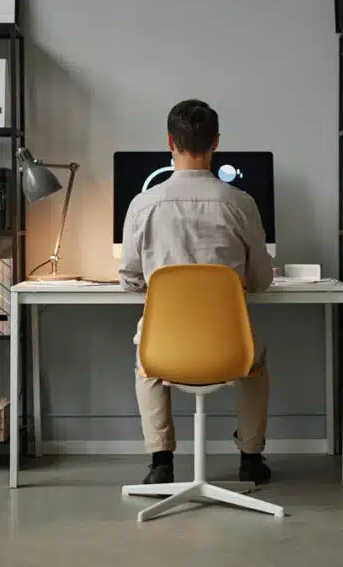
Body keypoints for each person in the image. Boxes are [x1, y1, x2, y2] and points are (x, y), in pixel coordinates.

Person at [119, 99, 274, 486]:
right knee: (255, 363)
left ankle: (161, 462)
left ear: (170, 142)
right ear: (216, 142)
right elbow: (260, 281)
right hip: (229, 347)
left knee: (146, 360)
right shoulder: (241, 203)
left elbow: (130, 280)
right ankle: (251, 459)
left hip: (167, 348)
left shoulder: (142, 205)